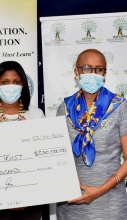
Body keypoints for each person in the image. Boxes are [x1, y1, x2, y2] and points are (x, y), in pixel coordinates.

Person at [56, 49, 127, 220]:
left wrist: (99, 191)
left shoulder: (119, 107)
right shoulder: (64, 108)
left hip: (110, 202)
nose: (93, 74)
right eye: (87, 68)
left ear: (104, 73)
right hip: (71, 203)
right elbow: (57, 157)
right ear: (77, 72)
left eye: (99, 69)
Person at [0, 61, 45, 220]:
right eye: (5, 82)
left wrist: (23, 195)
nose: (11, 86)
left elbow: (40, 159)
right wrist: (8, 197)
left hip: (31, 198)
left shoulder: (36, 115)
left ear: (23, 85)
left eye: (16, 82)